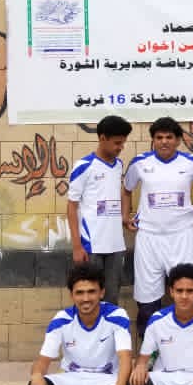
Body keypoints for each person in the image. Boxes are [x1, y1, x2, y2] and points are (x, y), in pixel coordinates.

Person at [124, 117, 193, 337]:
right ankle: (149, 349)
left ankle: (192, 343)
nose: (164, 142)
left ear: (178, 140)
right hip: (148, 237)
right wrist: (125, 215)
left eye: (169, 137)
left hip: (182, 236)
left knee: (189, 293)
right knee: (147, 299)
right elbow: (126, 189)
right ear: (153, 140)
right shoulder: (140, 163)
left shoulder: (191, 163)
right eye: (159, 137)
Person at [26, 262, 133, 385]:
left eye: (91, 291)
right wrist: (36, 376)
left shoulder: (117, 316)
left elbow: (125, 358)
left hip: (107, 381)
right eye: (79, 293)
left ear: (102, 293)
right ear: (71, 295)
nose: (86, 299)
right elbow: (42, 361)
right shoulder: (61, 319)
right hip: (71, 380)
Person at [126, 263, 193, 385]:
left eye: (190, 291)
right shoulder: (157, 320)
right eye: (179, 291)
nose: (184, 296)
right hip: (163, 379)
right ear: (171, 291)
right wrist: (140, 366)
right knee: (136, 382)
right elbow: (144, 359)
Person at [67, 115, 134, 306]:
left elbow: (118, 194)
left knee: (112, 299)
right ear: (102, 138)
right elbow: (71, 207)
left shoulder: (118, 165)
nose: (121, 147)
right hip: (91, 246)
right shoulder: (83, 166)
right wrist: (77, 246)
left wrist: (124, 218)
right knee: (90, 299)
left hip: (116, 245)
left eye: (123, 143)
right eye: (117, 143)